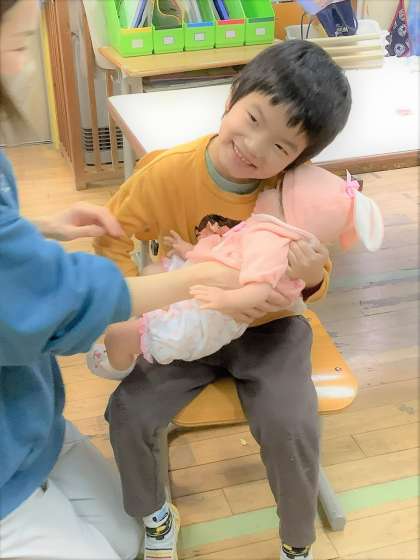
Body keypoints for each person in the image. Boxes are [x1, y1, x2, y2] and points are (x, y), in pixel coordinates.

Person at [0, 1, 242, 558]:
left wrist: (39, 228)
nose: (23, 66)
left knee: (125, 533)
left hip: (31, 417)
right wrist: (197, 276)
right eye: (16, 45)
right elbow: (70, 298)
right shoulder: (167, 172)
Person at [94, 41, 352, 560]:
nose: (255, 148)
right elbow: (110, 238)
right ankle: (155, 516)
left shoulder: (293, 188)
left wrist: (308, 275)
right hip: (187, 321)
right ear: (232, 97)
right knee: (128, 412)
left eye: (281, 147)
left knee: (290, 422)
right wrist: (131, 306)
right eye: (253, 119)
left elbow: (317, 277)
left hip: (268, 327)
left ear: (299, 159)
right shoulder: (169, 172)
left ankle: (297, 540)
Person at [88, 165, 383, 375]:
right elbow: (226, 251)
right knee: (153, 276)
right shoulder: (263, 227)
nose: (269, 190)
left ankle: (119, 365)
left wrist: (224, 300)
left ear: (291, 217)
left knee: (123, 334)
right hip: (204, 287)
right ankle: (137, 340)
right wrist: (189, 249)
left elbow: (258, 289)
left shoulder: (272, 241)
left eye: (279, 191)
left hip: (215, 313)